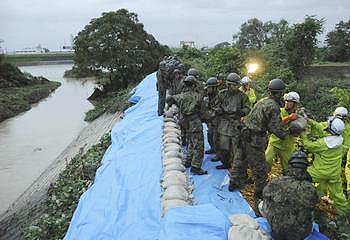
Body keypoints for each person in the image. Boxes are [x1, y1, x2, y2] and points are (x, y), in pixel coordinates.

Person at [229, 79, 289, 203]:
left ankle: (234, 182)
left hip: (244, 133)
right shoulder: (273, 106)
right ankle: (259, 194)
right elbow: (275, 128)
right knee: (260, 168)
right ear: (279, 93)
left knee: (240, 160)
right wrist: (287, 133)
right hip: (255, 139)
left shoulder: (262, 101)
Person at [261, 151, 319, 240]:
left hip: (277, 231)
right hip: (301, 234)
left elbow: (265, 194)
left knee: (262, 204)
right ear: (306, 168)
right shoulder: (311, 188)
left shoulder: (277, 181)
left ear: (290, 166)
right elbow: (313, 204)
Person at [302, 117, 349, 214]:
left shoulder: (323, 144)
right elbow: (323, 132)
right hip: (334, 174)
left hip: (318, 172)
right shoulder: (339, 140)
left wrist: (304, 132)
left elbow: (308, 145)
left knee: (300, 178)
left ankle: (303, 202)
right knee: (338, 195)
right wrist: (311, 122)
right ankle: (344, 213)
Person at [166, 75, 207, 175]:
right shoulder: (197, 96)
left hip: (185, 122)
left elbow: (169, 99)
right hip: (195, 122)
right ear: (194, 85)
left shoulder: (180, 96)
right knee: (198, 145)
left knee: (190, 142)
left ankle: (188, 161)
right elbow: (203, 108)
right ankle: (196, 166)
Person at [215, 73, 250, 170]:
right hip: (224, 123)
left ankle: (236, 168)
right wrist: (218, 110)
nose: (234, 87)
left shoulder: (242, 96)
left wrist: (242, 112)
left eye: (236, 85)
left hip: (236, 123)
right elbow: (216, 105)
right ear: (228, 84)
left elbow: (248, 108)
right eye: (232, 85)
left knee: (236, 148)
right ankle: (225, 163)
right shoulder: (222, 94)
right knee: (223, 147)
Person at [265, 91, 300, 172]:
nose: (287, 103)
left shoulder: (298, 115)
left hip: (287, 145)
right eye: (286, 101)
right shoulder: (279, 111)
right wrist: (289, 118)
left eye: (289, 102)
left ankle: (286, 181)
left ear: (295, 104)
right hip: (275, 142)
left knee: (288, 168)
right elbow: (277, 123)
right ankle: (262, 178)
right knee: (267, 160)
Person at [203, 77, 220, 155]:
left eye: (209, 87)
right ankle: (213, 148)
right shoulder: (209, 96)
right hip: (210, 121)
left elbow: (217, 110)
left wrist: (208, 115)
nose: (207, 89)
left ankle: (219, 154)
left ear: (214, 88)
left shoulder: (220, 97)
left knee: (216, 138)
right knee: (210, 136)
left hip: (218, 121)